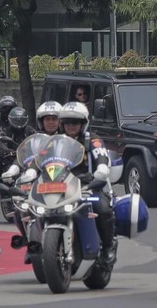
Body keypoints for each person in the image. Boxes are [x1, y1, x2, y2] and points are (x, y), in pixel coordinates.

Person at [57, 102, 115, 264]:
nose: (70, 126)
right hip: (60, 187)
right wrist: (31, 170)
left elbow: (101, 153)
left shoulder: (92, 139)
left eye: (75, 122)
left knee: (103, 209)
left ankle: (108, 247)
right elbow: (42, 157)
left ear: (83, 123)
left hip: (87, 186)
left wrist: (102, 167)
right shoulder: (57, 141)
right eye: (67, 122)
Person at [0, 107, 37, 180]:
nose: (18, 122)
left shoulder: (30, 130)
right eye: (16, 120)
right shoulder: (5, 131)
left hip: (29, 158)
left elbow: (37, 142)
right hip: (10, 159)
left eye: (21, 120)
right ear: (10, 120)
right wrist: (11, 152)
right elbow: (1, 145)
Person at [0, 96, 18, 189]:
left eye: (10, 109)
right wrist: (2, 151)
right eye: (5, 109)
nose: (7, 112)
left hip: (20, 154)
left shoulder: (20, 125)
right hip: (3, 154)